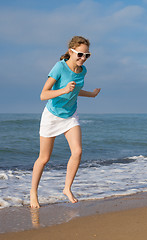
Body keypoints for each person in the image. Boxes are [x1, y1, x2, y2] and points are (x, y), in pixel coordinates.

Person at [30, 36, 101, 208]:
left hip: (70, 115)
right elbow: (43, 95)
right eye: (80, 54)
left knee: (77, 152)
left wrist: (91, 94)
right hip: (52, 115)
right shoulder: (59, 68)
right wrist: (63, 89)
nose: (83, 58)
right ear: (71, 52)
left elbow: (75, 90)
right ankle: (33, 193)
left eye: (87, 55)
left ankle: (67, 188)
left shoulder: (82, 70)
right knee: (44, 158)